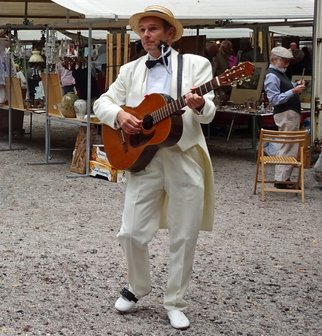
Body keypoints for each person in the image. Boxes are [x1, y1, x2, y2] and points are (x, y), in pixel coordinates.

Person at [93, 5, 216, 330]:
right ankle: (137, 286)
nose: (146, 34)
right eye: (143, 29)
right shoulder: (131, 69)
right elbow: (102, 102)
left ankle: (175, 301)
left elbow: (210, 111)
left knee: (184, 234)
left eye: (153, 29)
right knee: (131, 231)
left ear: (170, 34)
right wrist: (119, 116)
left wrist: (201, 103)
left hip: (184, 158)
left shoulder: (196, 65)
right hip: (141, 158)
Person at [264, 46, 306, 189]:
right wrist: (293, 90)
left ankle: (284, 178)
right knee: (288, 145)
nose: (287, 64)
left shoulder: (278, 73)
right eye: (285, 61)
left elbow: (283, 90)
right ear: (275, 60)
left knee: (290, 145)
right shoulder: (272, 75)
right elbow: (274, 99)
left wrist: (294, 85)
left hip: (289, 113)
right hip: (286, 113)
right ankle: (281, 179)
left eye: (289, 62)